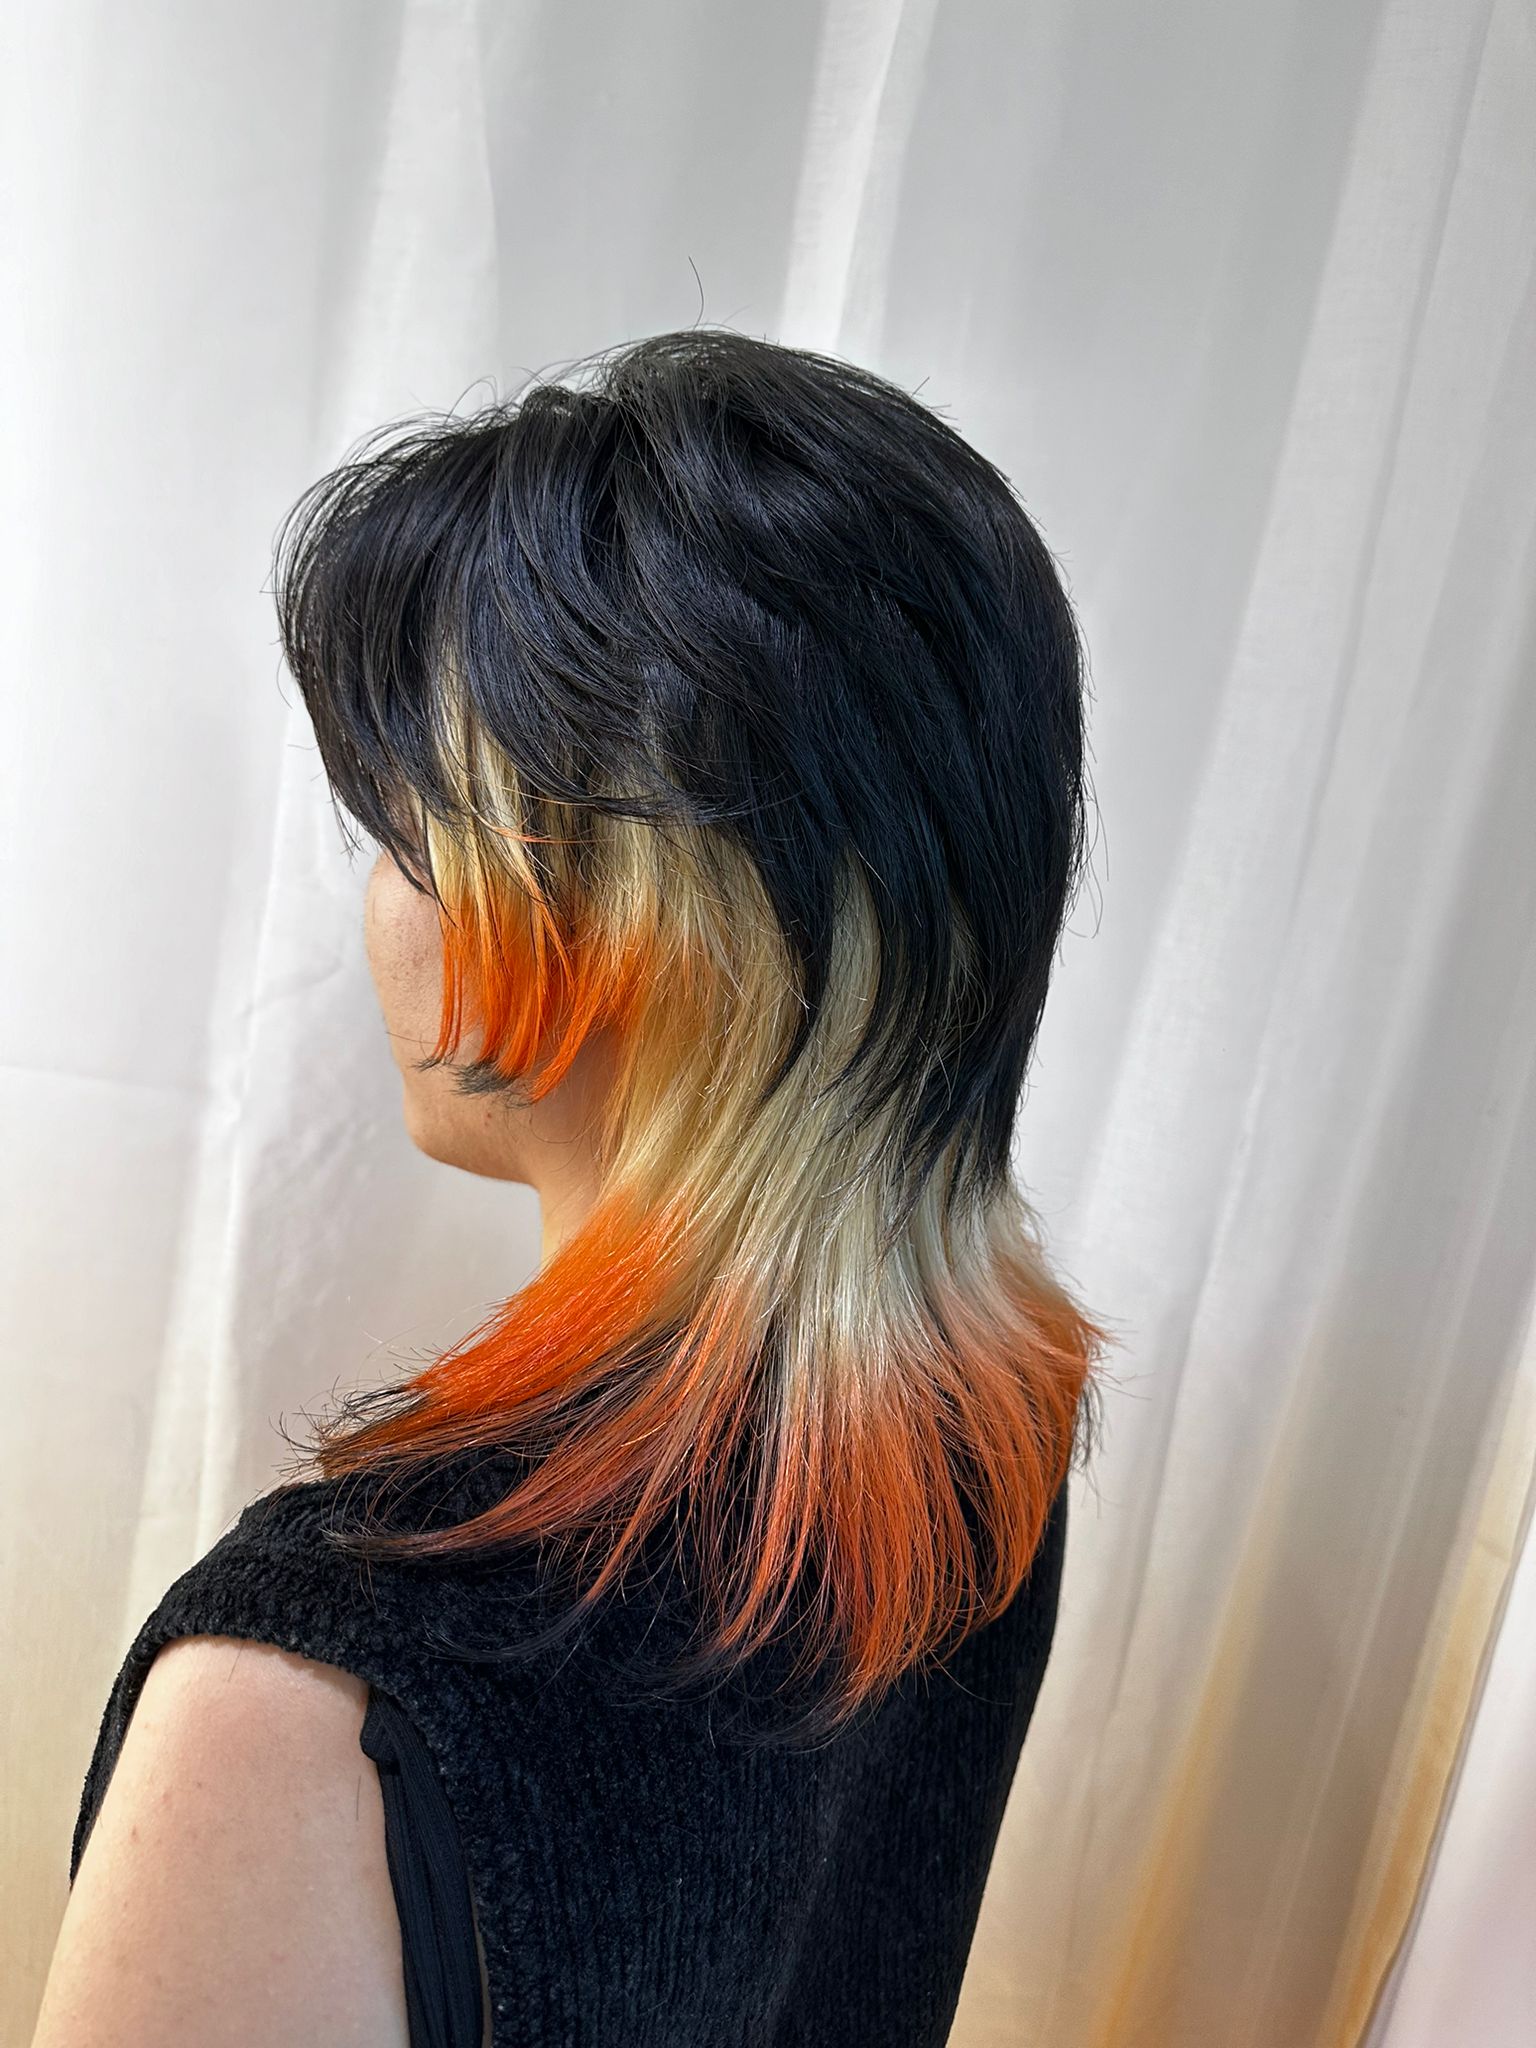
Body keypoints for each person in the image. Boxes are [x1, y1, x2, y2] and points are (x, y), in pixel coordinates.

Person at [32, 328, 1109, 2048]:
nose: (381, 907)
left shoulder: (308, 1712)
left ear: (624, 931)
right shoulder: (979, 1422)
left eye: (408, 835)